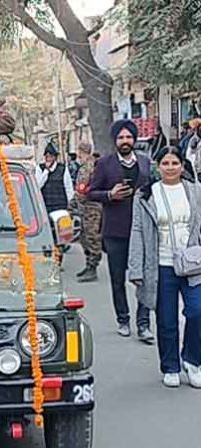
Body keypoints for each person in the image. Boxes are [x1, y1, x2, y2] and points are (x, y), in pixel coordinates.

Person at [129, 146, 201, 388]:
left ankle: (193, 360)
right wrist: (136, 268)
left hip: (193, 264)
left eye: (175, 163)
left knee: (197, 311)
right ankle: (170, 366)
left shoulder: (195, 191)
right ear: (157, 167)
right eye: (165, 164)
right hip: (161, 264)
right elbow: (137, 231)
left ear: (182, 166)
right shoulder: (146, 195)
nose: (170, 168)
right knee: (166, 319)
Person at [88, 119, 153, 342]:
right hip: (115, 231)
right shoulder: (105, 164)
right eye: (121, 138)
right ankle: (123, 320)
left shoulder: (145, 163)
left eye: (128, 137)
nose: (125, 141)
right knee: (118, 279)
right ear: (115, 141)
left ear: (134, 139)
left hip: (142, 231)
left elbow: (152, 189)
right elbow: (90, 192)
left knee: (144, 277)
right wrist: (109, 195)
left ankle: (143, 323)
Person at [72, 142, 103, 283]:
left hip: (92, 207)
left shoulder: (90, 166)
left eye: (79, 151)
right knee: (84, 237)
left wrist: (77, 199)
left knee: (92, 237)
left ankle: (93, 267)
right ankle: (88, 264)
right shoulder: (85, 165)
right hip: (84, 207)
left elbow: (83, 188)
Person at [36, 142, 74, 214]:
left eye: (51, 156)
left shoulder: (63, 169)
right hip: (45, 206)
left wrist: (70, 205)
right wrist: (46, 171)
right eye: (47, 156)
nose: (48, 159)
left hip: (60, 207)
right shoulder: (40, 168)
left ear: (55, 157)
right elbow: (38, 185)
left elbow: (68, 188)